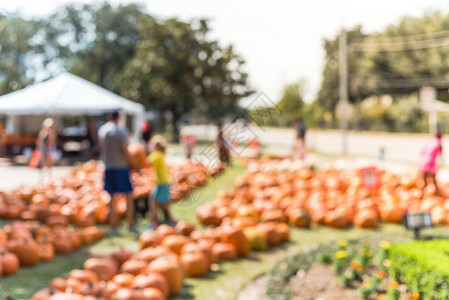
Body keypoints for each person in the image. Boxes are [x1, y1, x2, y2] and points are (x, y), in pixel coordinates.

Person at [98, 110, 137, 235]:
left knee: (111, 197)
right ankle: (130, 225)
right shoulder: (121, 131)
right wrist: (132, 164)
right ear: (118, 118)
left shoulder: (103, 131)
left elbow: (101, 147)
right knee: (129, 195)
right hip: (121, 167)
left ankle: (113, 227)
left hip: (108, 167)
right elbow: (125, 150)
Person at [147, 135, 176, 229]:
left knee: (157, 202)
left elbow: (146, 162)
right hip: (164, 181)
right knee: (160, 202)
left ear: (157, 147)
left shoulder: (156, 155)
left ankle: (156, 223)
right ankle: (166, 220)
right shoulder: (161, 154)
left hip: (161, 183)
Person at [419, 132, 443, 196]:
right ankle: (437, 194)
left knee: (424, 180)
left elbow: (422, 151)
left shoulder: (430, 141)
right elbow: (440, 156)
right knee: (434, 180)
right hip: (430, 163)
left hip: (423, 162)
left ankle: (422, 195)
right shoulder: (438, 143)